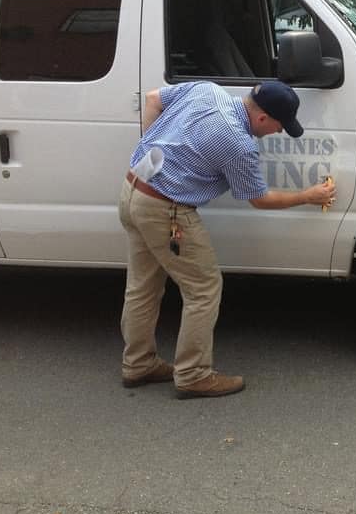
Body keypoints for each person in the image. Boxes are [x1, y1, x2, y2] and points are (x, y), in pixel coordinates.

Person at [118, 80, 336, 399]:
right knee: (204, 289)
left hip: (133, 188)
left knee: (142, 287)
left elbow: (153, 99)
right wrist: (307, 196)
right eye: (279, 126)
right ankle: (193, 375)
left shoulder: (207, 90)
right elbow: (259, 199)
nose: (278, 132)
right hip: (167, 212)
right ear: (262, 118)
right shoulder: (237, 143)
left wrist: (154, 148)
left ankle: (137, 364)